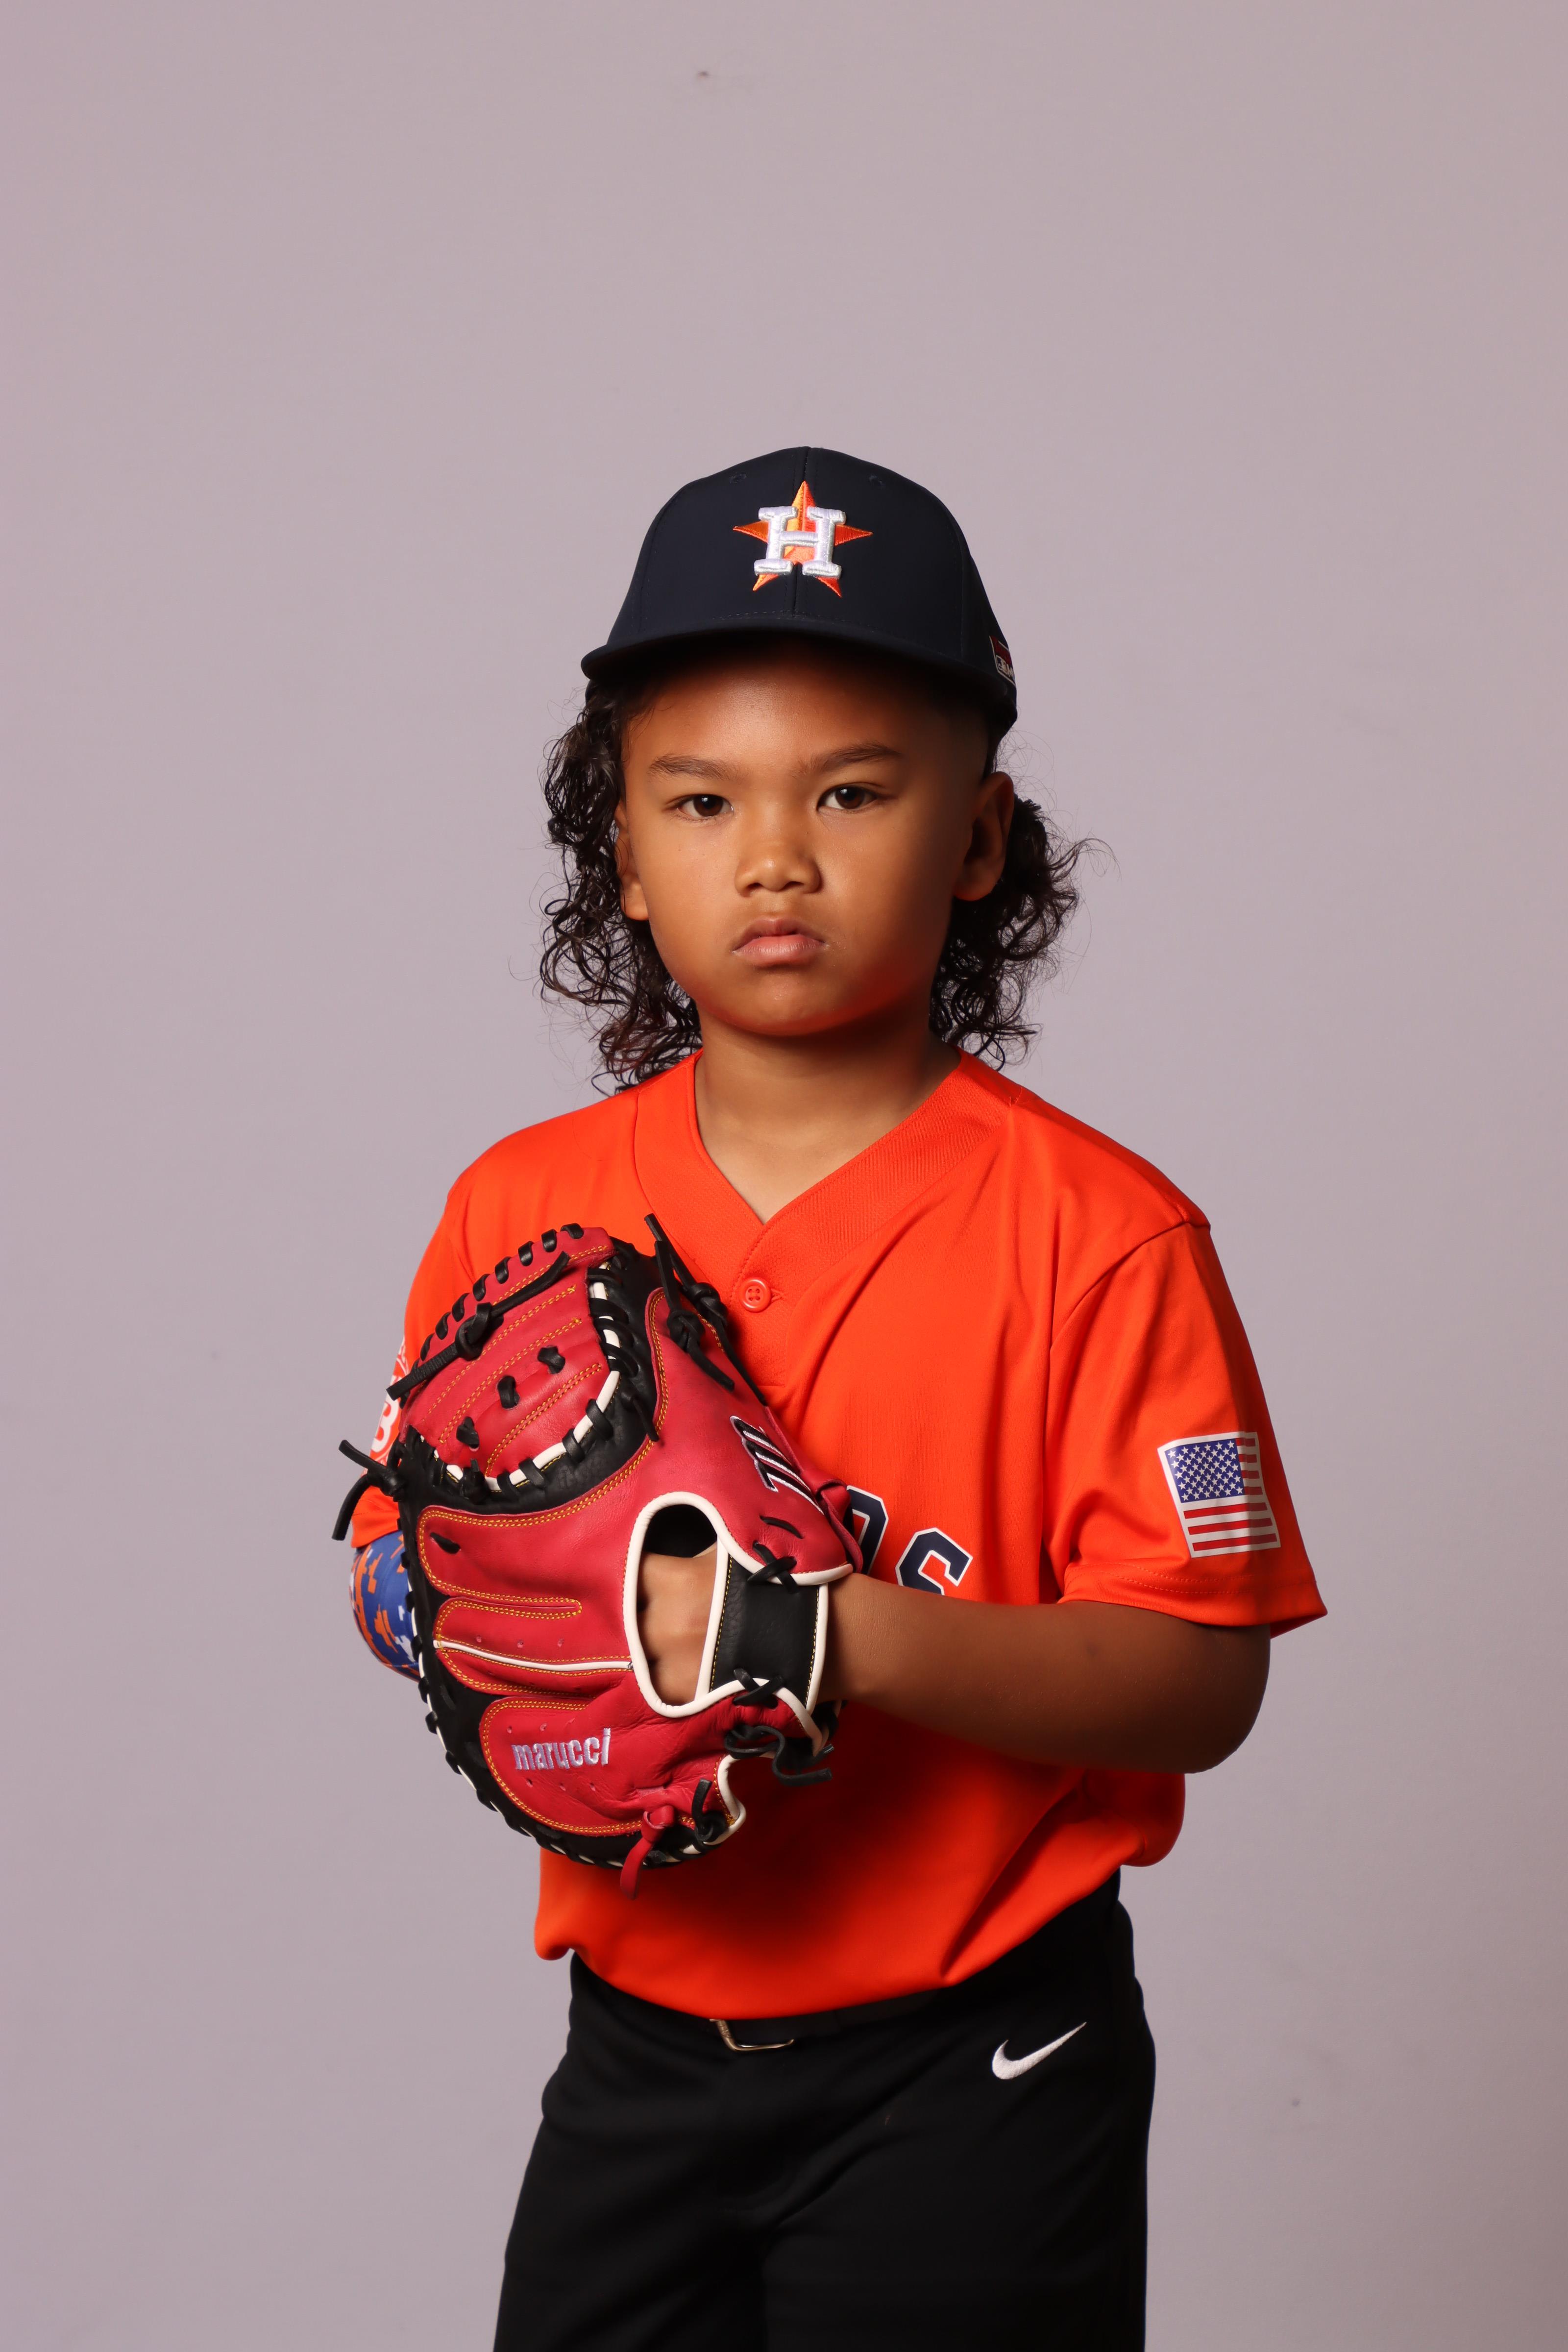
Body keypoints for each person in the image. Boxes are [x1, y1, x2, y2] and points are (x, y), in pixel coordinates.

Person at [346, 447, 1324, 2351]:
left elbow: (1203, 1678)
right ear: (624, 854)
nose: (773, 857)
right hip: (636, 2050)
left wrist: (825, 1635)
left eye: (851, 792)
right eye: (700, 799)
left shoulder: (1101, 1235)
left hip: (978, 2062)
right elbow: (412, 1528)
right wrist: (412, 1593)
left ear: (977, 838)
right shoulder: (516, 1208)